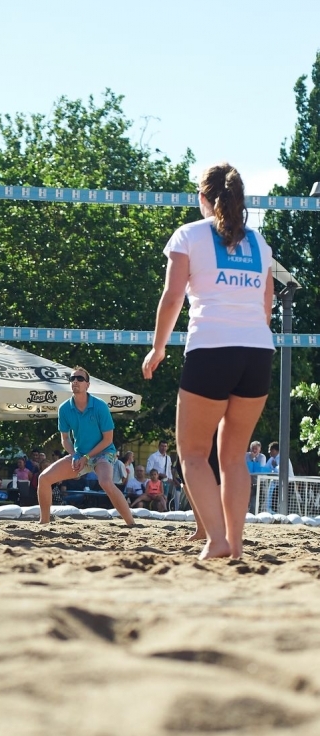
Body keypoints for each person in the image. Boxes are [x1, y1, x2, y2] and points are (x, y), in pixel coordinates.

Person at [142, 163, 274, 559]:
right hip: (258, 352)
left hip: (212, 348)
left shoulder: (189, 235)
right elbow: (265, 310)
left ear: (204, 198)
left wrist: (158, 346)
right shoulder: (259, 243)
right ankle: (234, 546)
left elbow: (172, 297)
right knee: (234, 457)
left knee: (194, 454)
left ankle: (216, 539)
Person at [37, 368, 136, 527]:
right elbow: (65, 439)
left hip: (103, 452)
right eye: (72, 378)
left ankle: (131, 524)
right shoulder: (64, 408)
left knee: (105, 482)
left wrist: (86, 457)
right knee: (44, 478)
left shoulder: (100, 406)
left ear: (87, 385)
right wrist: (75, 455)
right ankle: (44, 523)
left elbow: (108, 439)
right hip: (80, 454)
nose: (75, 381)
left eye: (80, 379)